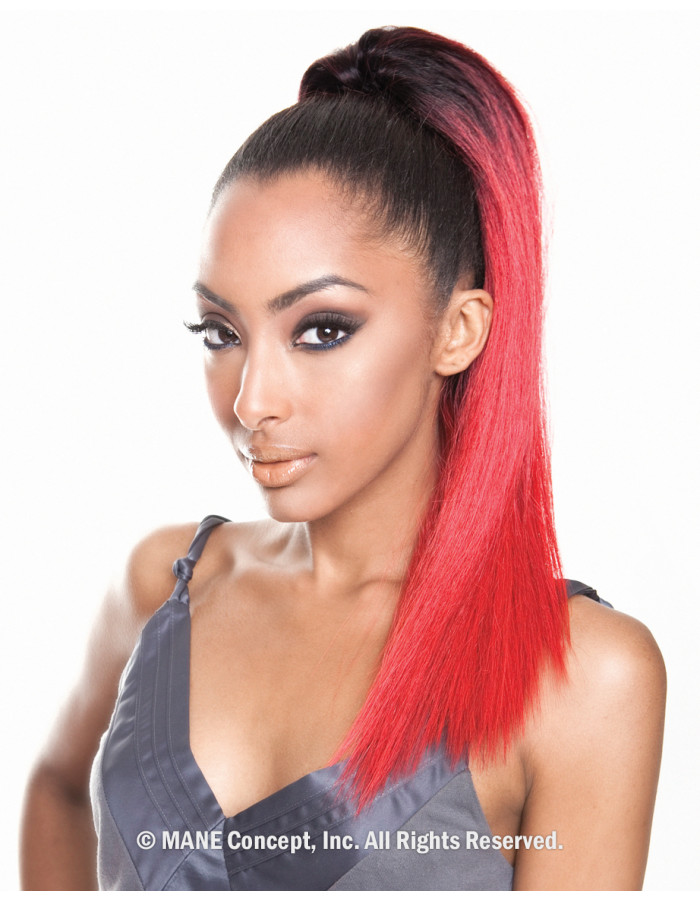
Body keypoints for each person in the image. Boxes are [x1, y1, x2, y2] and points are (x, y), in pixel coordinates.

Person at [20, 25, 665, 890]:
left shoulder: (583, 680)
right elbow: (55, 790)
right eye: (222, 333)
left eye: (321, 330)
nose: (252, 401)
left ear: (458, 331)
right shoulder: (164, 585)